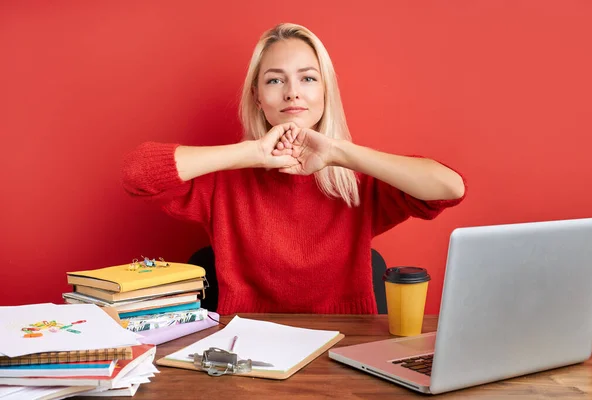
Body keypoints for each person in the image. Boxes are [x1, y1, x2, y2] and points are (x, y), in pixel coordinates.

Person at [122, 22, 466, 315]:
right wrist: (253, 152)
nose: (292, 93)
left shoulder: (357, 178)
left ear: (325, 91)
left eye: (308, 79)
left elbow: (449, 187)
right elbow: (138, 174)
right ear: (257, 96)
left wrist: (338, 152)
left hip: (345, 343)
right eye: (275, 81)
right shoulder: (226, 179)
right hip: (246, 343)